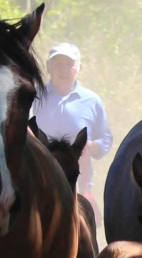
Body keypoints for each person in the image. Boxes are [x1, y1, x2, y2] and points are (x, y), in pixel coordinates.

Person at [31, 42, 113, 227]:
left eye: (69, 64)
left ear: (78, 68)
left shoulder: (91, 101)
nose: (64, 70)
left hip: (79, 186)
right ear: (49, 67)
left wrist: (93, 147)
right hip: (40, 183)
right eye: (58, 64)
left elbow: (106, 136)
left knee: (82, 244)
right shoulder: (35, 97)